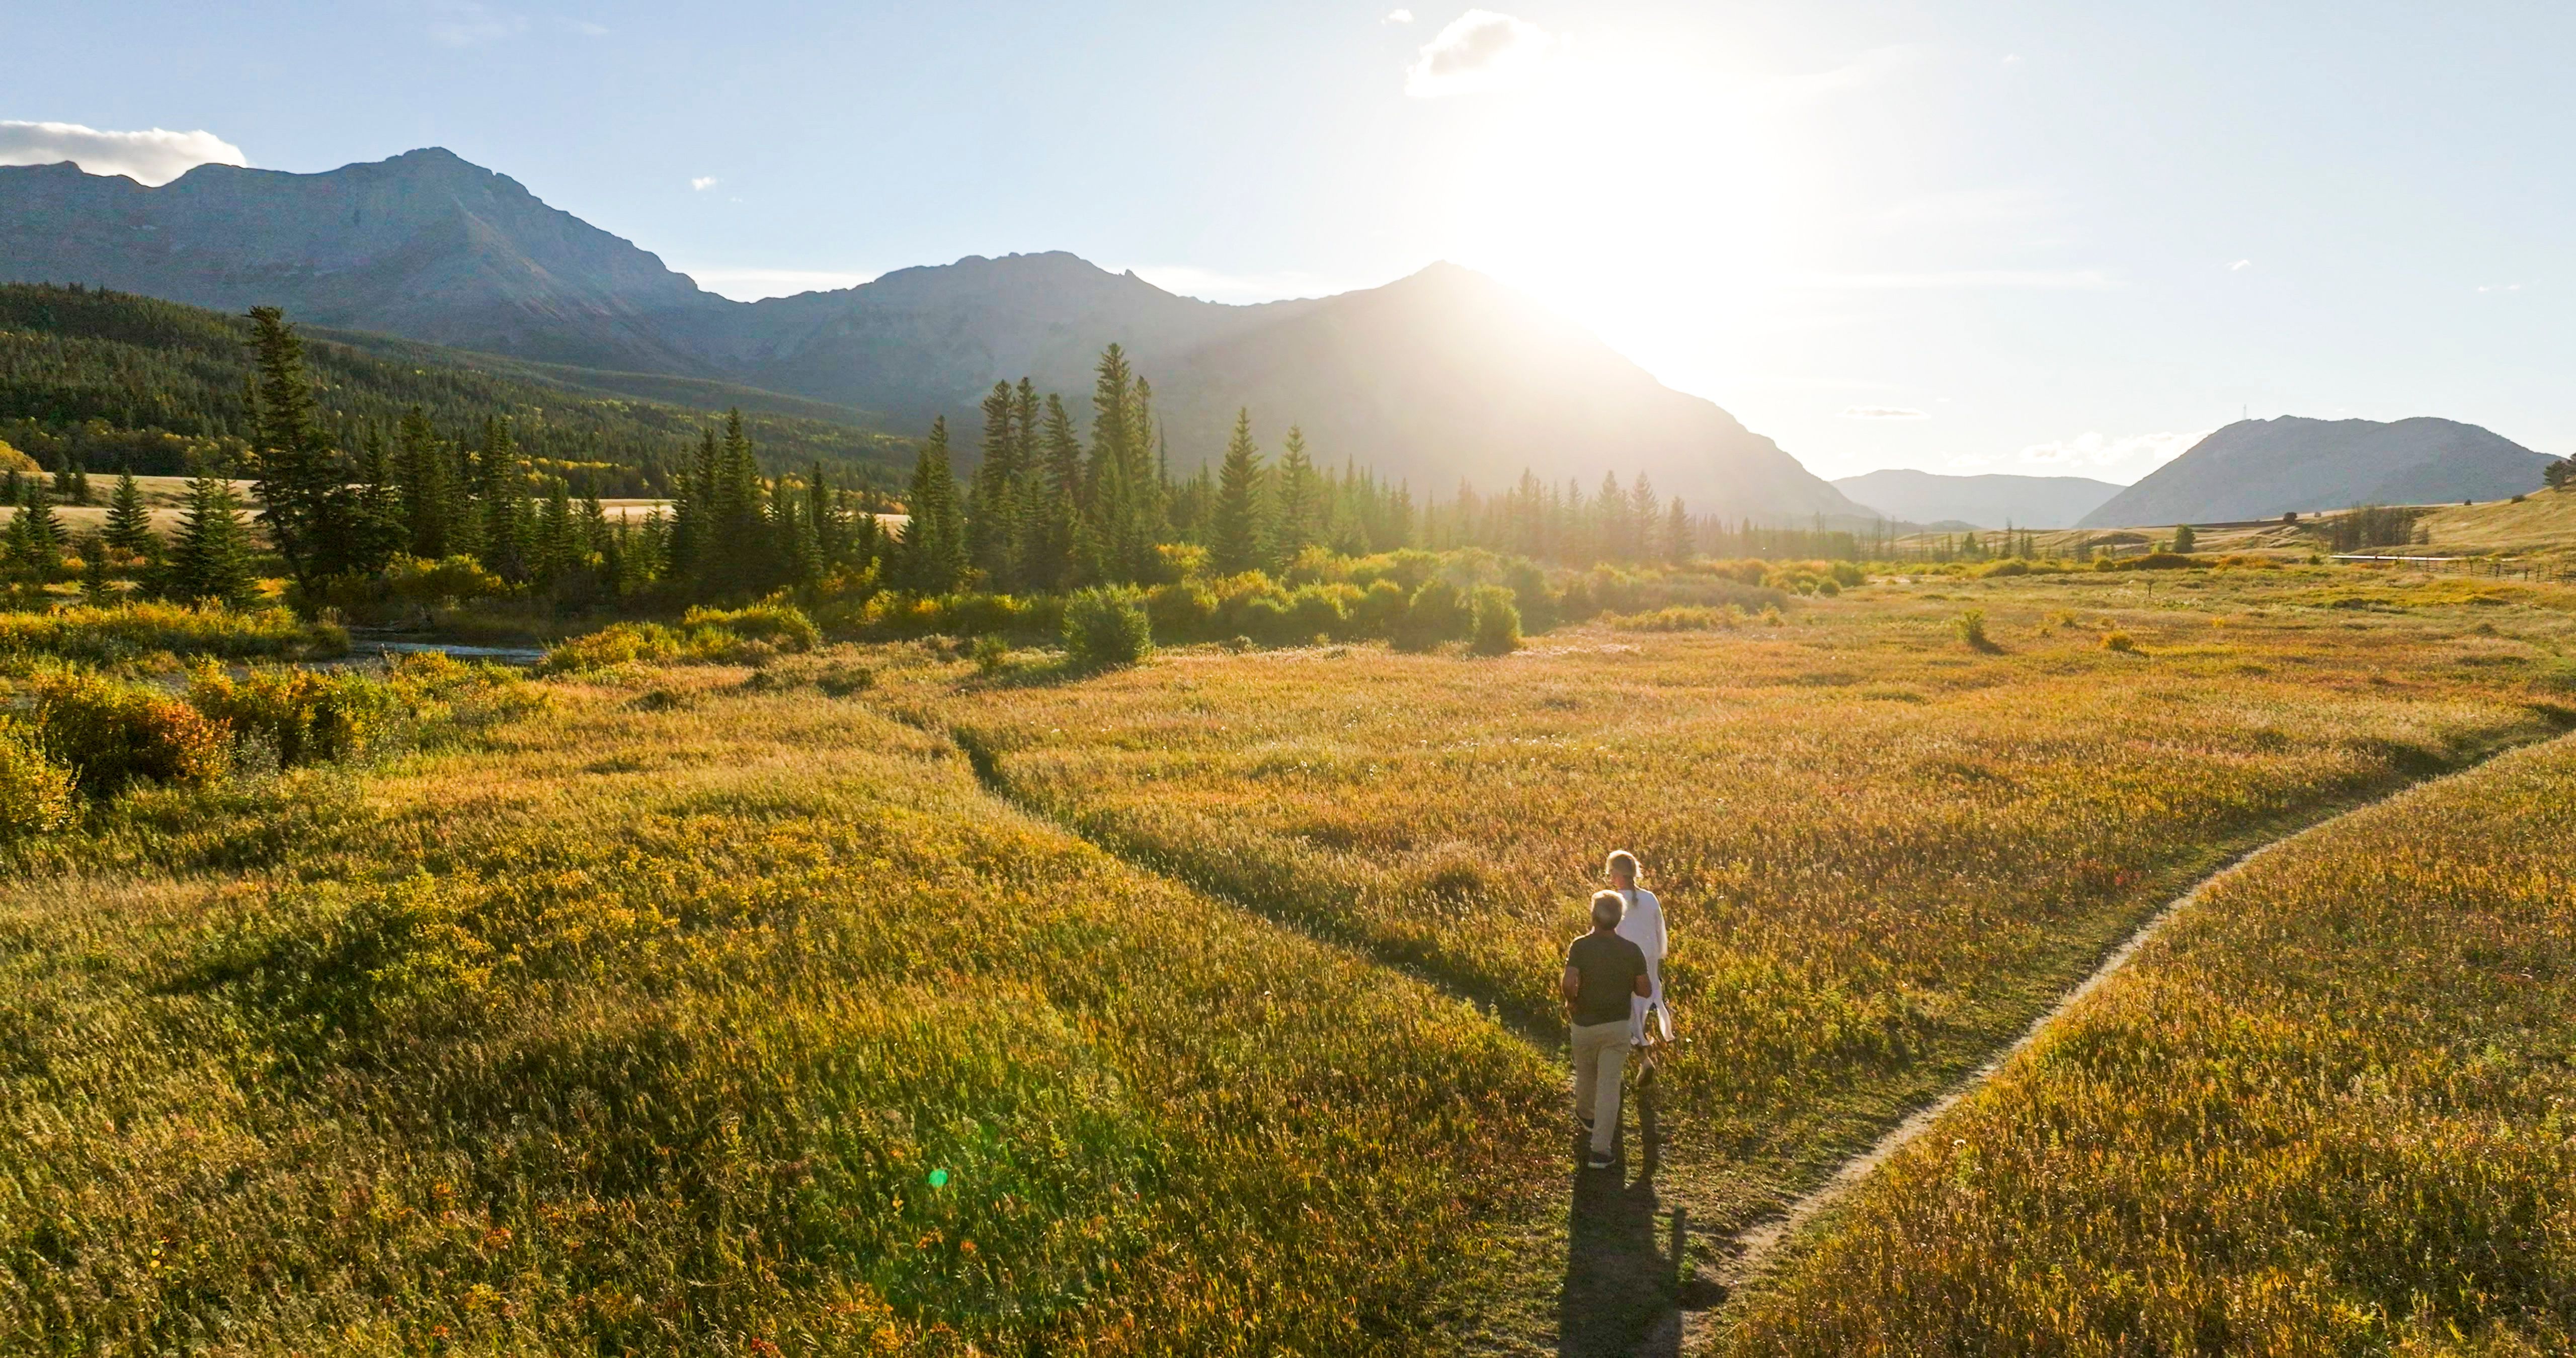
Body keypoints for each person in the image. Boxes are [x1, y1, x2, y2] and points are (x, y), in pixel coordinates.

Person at [1564, 889, 1652, 1170]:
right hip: (1616, 1027)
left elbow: (1568, 982)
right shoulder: (1631, 951)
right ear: (1619, 919)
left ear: (1593, 915)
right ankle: (1601, 1150)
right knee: (1610, 1085)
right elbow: (1644, 989)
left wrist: (1571, 1001)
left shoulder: (1580, 946)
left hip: (1584, 1025)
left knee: (1585, 1073)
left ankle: (1586, 1116)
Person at [1607, 851, 1666, 1047]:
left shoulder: (1613, 901)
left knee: (1626, 1000)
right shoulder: (1650, 898)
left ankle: (1633, 1041)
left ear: (1616, 875)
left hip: (1623, 958)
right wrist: (1657, 955)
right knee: (1641, 999)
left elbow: (1605, 930)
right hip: (1646, 955)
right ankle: (1640, 1041)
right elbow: (1659, 929)